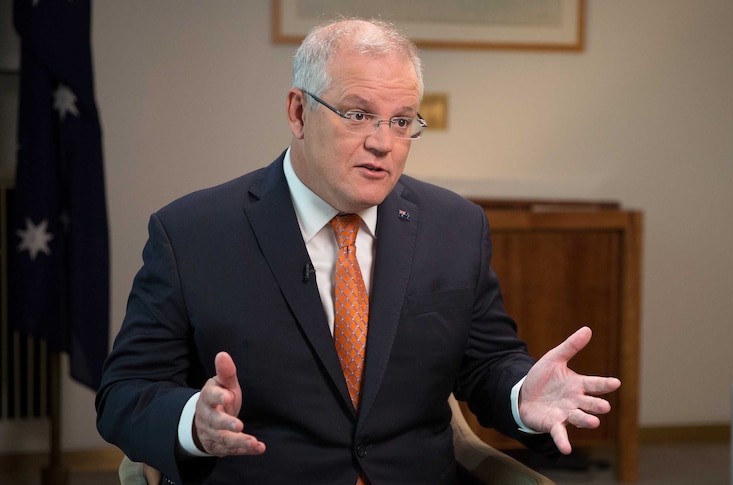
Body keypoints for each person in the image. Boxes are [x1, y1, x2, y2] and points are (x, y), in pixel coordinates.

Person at [96, 18, 621, 484]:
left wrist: (521, 393)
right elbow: (124, 393)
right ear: (299, 112)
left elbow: (485, 364)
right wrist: (194, 420)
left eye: (401, 120)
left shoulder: (456, 226)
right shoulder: (192, 232)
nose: (383, 143)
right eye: (358, 115)